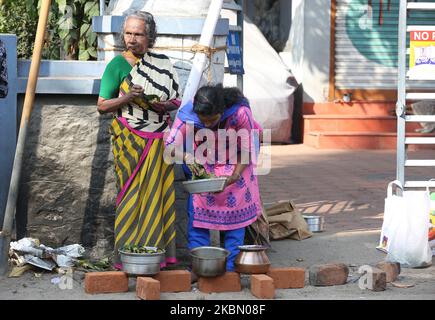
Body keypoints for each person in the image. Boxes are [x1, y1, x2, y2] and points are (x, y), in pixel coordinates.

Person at [97, 11, 181, 268]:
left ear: (150, 37)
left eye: (138, 34)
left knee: (159, 197)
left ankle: (158, 256)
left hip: (158, 141)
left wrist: (163, 106)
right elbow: (102, 106)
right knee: (131, 193)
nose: (132, 39)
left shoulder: (164, 64)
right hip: (129, 140)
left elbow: (177, 99)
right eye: (128, 33)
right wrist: (127, 98)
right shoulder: (117, 66)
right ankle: (128, 257)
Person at [165, 84, 263, 272]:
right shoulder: (189, 116)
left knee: (236, 222)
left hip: (237, 169)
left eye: (213, 120)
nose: (208, 125)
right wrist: (187, 156)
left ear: (222, 110)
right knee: (198, 220)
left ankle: (231, 269)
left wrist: (234, 175)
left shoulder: (239, 113)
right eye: (204, 121)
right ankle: (200, 267)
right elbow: (170, 146)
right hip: (204, 170)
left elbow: (247, 148)